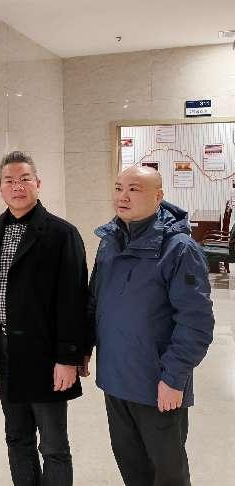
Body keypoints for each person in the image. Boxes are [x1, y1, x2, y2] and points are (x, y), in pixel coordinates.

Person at [82, 165, 214, 486]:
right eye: (118, 188)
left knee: (168, 473)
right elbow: (94, 301)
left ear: (158, 196)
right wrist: (83, 347)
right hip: (115, 379)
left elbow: (196, 322)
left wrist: (174, 378)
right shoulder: (109, 241)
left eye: (134, 189)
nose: (123, 196)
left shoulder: (179, 249)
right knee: (132, 467)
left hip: (157, 385)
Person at [0, 151, 88, 486]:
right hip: (4, 353)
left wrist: (67, 358)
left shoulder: (61, 233)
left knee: (53, 446)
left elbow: (74, 300)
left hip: (45, 355)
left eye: (24, 179)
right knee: (17, 437)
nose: (17, 187)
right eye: (9, 181)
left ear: (38, 183)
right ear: (0, 188)